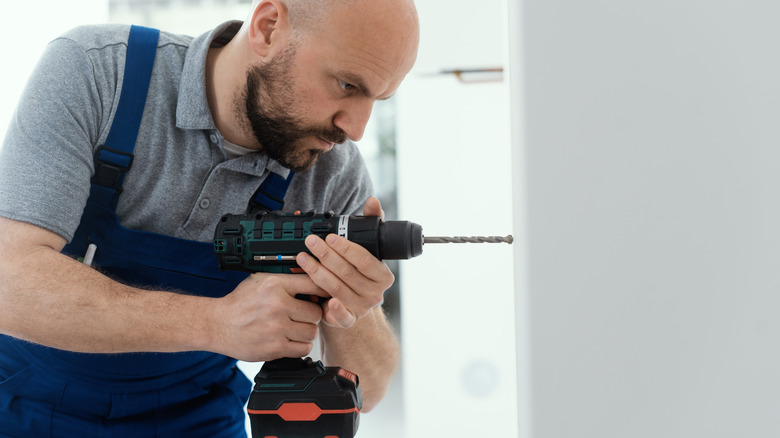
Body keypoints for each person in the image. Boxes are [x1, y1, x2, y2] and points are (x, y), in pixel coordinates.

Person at [0, 0, 419, 435]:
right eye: (347, 84)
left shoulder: (333, 170)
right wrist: (215, 323)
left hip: (196, 418)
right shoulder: (98, 71)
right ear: (269, 27)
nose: (356, 129)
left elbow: (371, 389)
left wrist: (356, 304)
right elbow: (9, 283)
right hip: (23, 405)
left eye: (377, 98)